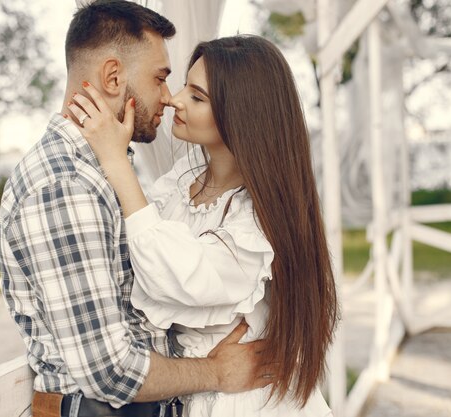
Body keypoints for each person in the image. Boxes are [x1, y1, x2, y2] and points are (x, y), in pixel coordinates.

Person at [0, 2, 272, 417]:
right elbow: (110, 370)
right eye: (160, 78)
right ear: (113, 77)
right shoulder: (66, 185)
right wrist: (216, 372)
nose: (168, 97)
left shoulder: (99, 170)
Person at [67, 35, 340, 416]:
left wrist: (116, 161)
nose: (174, 99)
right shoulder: (183, 181)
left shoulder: (256, 223)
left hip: (246, 402)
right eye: (183, 86)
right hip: (200, 389)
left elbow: (171, 274)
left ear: (241, 115)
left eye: (197, 97)